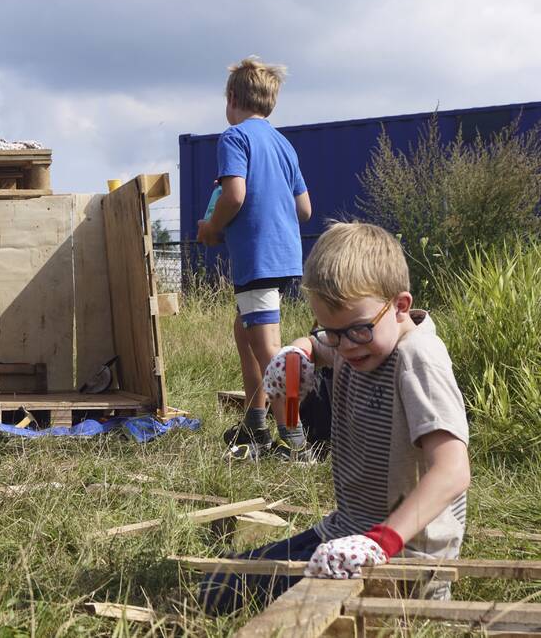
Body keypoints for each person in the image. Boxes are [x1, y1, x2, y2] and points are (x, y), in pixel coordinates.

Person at [198, 222, 471, 614]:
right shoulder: (358, 339)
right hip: (346, 530)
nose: (344, 346)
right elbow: (319, 344)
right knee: (217, 587)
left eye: (357, 331)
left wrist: (383, 541)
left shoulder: (418, 360)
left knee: (244, 602)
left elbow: (452, 471)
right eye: (333, 330)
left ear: (400, 305)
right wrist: (296, 352)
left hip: (404, 554)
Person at [196, 56, 313, 460]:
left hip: (257, 258)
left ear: (232, 99)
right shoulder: (283, 144)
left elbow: (235, 195)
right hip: (284, 255)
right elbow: (305, 210)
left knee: (269, 349)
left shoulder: (234, 138)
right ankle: (255, 422)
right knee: (244, 332)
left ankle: (295, 439)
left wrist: (212, 228)